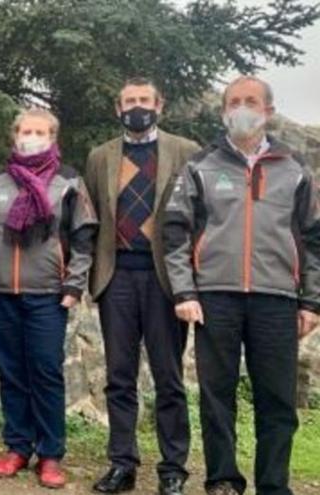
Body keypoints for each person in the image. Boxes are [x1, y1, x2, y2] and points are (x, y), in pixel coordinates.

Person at [163, 75, 320, 495]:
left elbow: (314, 239)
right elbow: (175, 233)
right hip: (216, 297)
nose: (242, 108)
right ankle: (223, 480)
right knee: (216, 398)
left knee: (278, 401)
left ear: (268, 110)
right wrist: (185, 292)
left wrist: (312, 302)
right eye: (234, 101)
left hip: (278, 300)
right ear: (223, 111)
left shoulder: (295, 171)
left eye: (251, 101)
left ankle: (273, 485)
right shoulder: (200, 166)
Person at [0, 107, 97, 489]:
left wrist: (73, 285)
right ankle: (17, 446)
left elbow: (84, 238)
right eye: (26, 130)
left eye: (40, 131)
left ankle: (51, 454)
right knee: (11, 373)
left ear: (53, 137)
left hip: (48, 295)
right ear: (15, 136)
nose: (32, 136)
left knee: (45, 372)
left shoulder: (69, 182)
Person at [85, 78, 200, 495]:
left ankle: (173, 468)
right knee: (119, 377)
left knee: (168, 377)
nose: (137, 107)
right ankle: (122, 463)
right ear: (118, 108)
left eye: (144, 101)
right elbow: (92, 217)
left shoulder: (186, 152)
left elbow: (197, 217)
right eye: (129, 101)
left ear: (160, 105)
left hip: (165, 278)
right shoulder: (100, 157)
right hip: (116, 277)